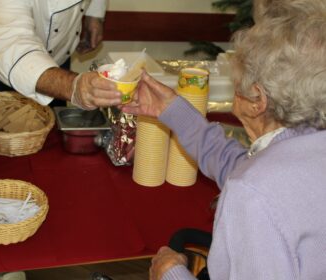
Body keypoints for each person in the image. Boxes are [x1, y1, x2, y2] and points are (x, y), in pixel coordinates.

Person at [121, 0, 326, 279]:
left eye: (237, 84)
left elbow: (255, 185)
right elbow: (240, 165)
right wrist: (172, 111)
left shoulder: (254, 194)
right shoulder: (305, 148)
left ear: (258, 101)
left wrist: (171, 274)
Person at [0, 0, 120, 110]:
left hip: (57, 61)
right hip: (4, 60)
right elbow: (12, 43)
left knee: (51, 144)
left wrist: (95, 14)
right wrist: (73, 86)